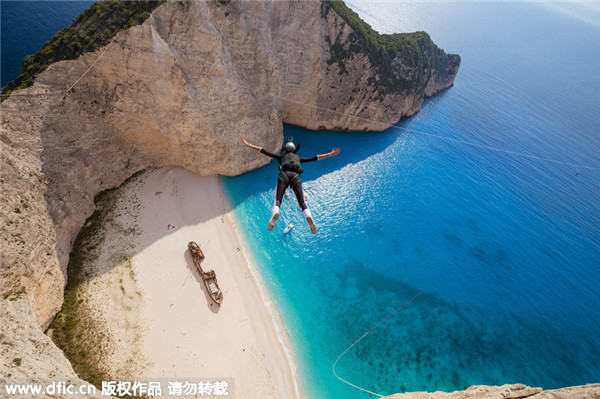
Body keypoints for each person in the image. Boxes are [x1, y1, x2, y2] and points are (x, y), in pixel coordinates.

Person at [241, 135, 340, 234]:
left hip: (284, 175)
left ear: (285, 150)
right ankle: (308, 216)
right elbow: (315, 158)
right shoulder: (299, 159)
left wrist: (248, 145)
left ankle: (275, 213)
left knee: (278, 199)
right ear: (294, 151)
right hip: (296, 177)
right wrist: (329, 154)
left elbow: (263, 150)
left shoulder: (280, 157)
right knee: (302, 202)